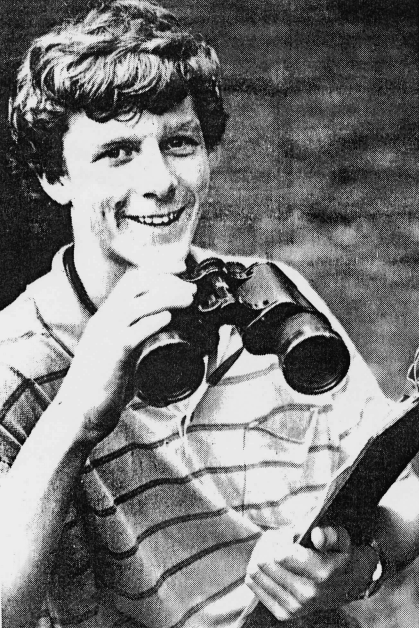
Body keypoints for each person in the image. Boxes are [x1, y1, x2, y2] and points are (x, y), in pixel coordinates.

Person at [2, 2, 419, 628]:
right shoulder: (17, 359)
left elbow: (406, 497)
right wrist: (75, 415)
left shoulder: (272, 296)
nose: (161, 180)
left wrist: (362, 563)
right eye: (117, 152)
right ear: (54, 176)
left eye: (179, 143)